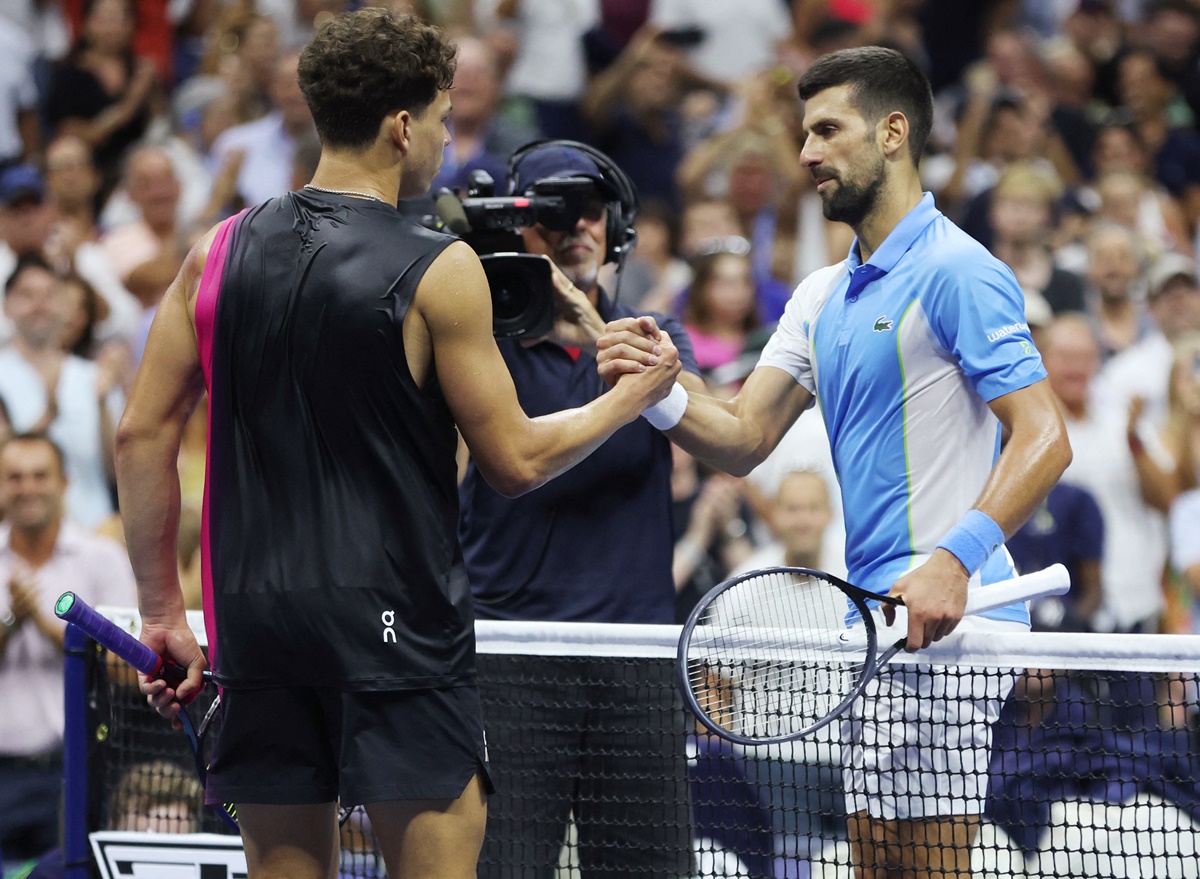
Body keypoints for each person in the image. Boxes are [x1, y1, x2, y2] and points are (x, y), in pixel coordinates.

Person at [119, 11, 680, 879]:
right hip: (400, 635)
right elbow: (517, 459)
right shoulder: (439, 265)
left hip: (259, 627)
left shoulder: (215, 252)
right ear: (404, 125)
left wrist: (162, 613)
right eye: (447, 119)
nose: (450, 139)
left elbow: (141, 433)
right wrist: (631, 398)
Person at [597, 46, 1072, 879]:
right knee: (875, 862)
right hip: (876, 624)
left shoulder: (958, 269)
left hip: (956, 620)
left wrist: (952, 562)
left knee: (923, 868)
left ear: (893, 133)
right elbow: (743, 434)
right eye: (803, 132)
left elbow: (1045, 436)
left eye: (827, 129)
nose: (807, 152)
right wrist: (657, 391)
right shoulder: (818, 297)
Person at [457, 138, 703, 878]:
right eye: (552, 213)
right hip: (511, 655)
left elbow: (685, 406)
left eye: (591, 212)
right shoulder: (477, 347)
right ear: (515, 226)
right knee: (504, 866)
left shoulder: (660, 339)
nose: (577, 229)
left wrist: (583, 313)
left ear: (617, 227)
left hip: (637, 657)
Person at [0, 432, 137, 867]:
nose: (27, 488)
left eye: (40, 475)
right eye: (14, 477)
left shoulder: (103, 559)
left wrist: (46, 624)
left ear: (65, 483)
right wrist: (9, 623)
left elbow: (129, 670)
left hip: (76, 771)